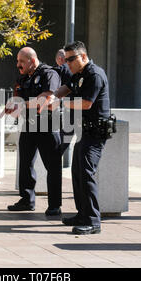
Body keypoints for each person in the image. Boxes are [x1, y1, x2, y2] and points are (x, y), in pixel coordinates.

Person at [52, 41, 112, 235]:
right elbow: (66, 88)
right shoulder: (79, 74)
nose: (67, 63)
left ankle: (93, 221)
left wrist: (61, 104)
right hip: (84, 132)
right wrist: (53, 96)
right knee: (78, 172)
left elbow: (86, 103)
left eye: (71, 59)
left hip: (95, 133)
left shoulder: (94, 74)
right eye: (65, 59)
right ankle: (82, 214)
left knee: (86, 173)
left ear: (83, 57)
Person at [5, 47, 63, 216]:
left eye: (21, 61)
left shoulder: (49, 74)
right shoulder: (23, 77)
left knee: (52, 167)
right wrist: (12, 107)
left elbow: (46, 99)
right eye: (17, 61)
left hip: (47, 125)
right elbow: (18, 98)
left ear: (32, 60)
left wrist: (22, 105)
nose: (18, 65)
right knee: (25, 164)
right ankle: (26, 200)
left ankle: (54, 205)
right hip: (29, 124)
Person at [54, 49, 74, 155]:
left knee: (59, 146)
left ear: (60, 59)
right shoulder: (77, 70)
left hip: (69, 111)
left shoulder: (62, 69)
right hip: (79, 111)